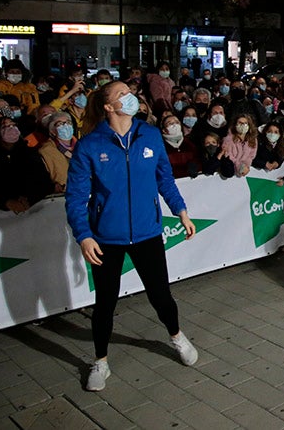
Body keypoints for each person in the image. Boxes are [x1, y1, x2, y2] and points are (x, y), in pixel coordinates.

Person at [65, 81, 198, 391]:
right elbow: (75, 197)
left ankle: (177, 336)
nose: (130, 98)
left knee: (161, 295)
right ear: (108, 106)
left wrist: (181, 211)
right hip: (105, 238)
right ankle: (100, 362)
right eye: (121, 94)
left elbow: (165, 179)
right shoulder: (90, 145)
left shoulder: (149, 135)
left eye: (130, 92)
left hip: (147, 233)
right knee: (105, 303)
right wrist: (84, 236)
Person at [0, 116, 53, 213]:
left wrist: (30, 198)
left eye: (13, 125)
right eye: (4, 126)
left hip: (32, 209)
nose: (11, 128)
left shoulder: (29, 153)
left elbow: (43, 180)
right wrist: (6, 202)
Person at [38, 112, 78, 192]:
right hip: (64, 194)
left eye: (68, 122)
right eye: (60, 124)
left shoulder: (83, 146)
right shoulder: (47, 151)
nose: (66, 126)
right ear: (52, 131)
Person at [160, 113, 199, 179]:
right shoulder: (161, 147)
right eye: (170, 123)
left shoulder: (190, 144)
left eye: (177, 122)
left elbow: (197, 161)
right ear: (164, 130)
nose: (174, 125)